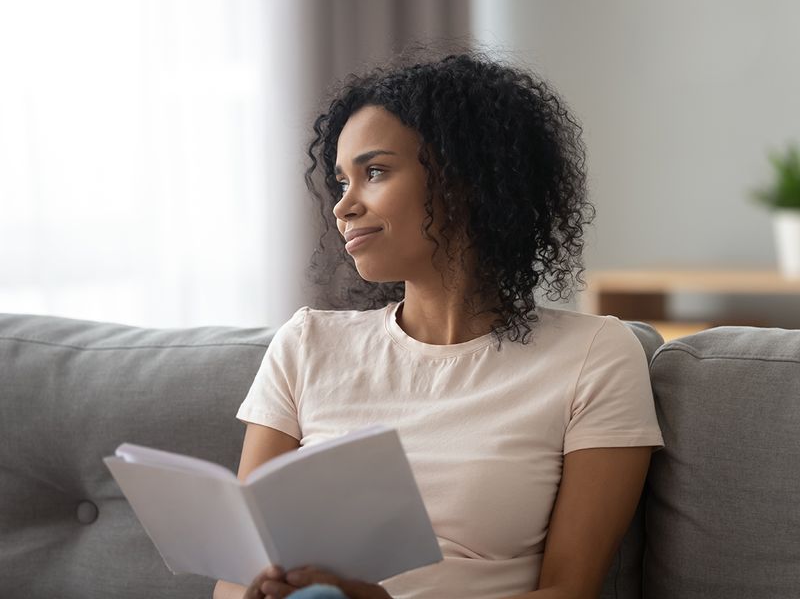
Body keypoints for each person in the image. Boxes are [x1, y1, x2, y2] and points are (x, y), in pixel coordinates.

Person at [213, 48, 664, 599]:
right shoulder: (307, 345)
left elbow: (569, 592)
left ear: (463, 180)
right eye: (341, 181)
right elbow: (235, 580)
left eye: (374, 172)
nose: (342, 207)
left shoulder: (595, 355)